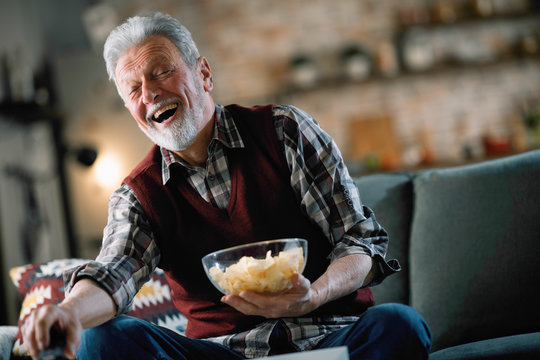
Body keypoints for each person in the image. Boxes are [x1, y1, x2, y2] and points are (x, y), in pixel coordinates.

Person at [21, 12, 431, 360]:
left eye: (161, 71)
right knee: (103, 340)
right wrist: (69, 313)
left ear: (203, 73)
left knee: (399, 324)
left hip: (330, 341)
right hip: (222, 353)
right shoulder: (138, 195)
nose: (150, 93)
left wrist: (314, 294)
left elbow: (361, 243)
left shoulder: (285, 130)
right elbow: (115, 271)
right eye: (134, 89)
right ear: (131, 108)